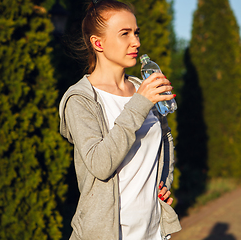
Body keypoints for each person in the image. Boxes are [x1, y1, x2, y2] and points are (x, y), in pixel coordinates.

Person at [58, 0, 181, 239]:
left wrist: (164, 181)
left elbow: (163, 143)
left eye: (136, 33)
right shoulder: (81, 99)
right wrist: (140, 103)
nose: (136, 42)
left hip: (153, 232)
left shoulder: (140, 88)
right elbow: (100, 164)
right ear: (98, 43)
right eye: (124, 34)